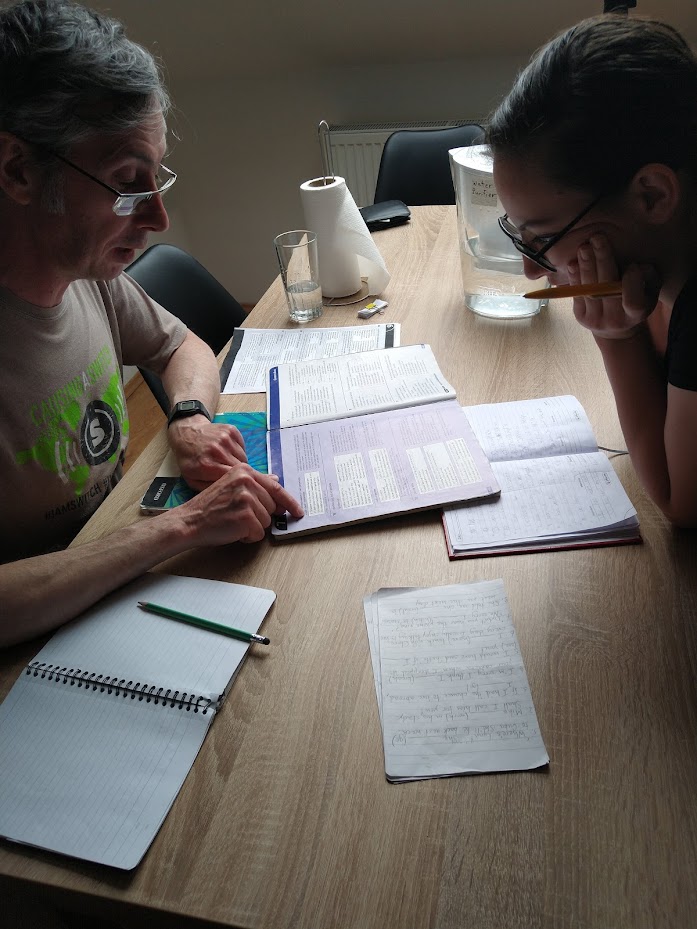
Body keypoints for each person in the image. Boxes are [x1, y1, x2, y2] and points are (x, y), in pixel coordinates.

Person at [0, 0, 302, 647]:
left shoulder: (88, 277)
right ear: (18, 170)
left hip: (117, 585)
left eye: (156, 176)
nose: (159, 218)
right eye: (126, 182)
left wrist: (189, 417)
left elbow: (181, 345)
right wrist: (181, 527)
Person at [486, 13, 697, 529]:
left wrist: (618, 339)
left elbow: (682, 505)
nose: (531, 270)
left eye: (545, 237)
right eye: (521, 235)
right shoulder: (668, 266)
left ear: (653, 195)